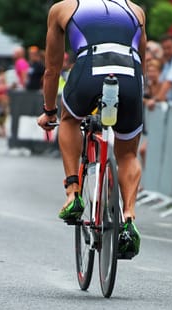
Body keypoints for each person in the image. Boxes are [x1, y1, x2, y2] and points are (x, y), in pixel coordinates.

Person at [37, 0, 146, 257]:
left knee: (69, 120)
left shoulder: (63, 8)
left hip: (89, 68)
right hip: (130, 73)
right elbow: (142, 58)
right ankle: (128, 217)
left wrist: (49, 110)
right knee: (128, 154)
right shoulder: (136, 9)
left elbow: (52, 70)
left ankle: (73, 193)